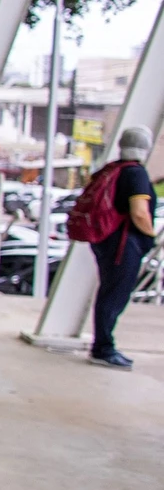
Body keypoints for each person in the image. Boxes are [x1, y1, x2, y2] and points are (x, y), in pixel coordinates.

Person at [89, 126, 157, 370]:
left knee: (109, 291)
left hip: (106, 240)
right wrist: (151, 235)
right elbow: (139, 212)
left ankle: (103, 345)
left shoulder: (114, 169)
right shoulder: (136, 174)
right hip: (123, 243)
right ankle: (103, 348)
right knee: (115, 295)